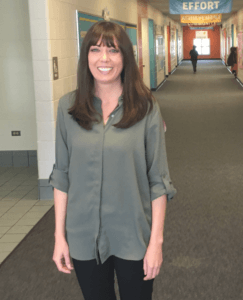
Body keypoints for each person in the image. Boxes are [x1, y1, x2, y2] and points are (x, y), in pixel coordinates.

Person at [49, 20, 176, 300]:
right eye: (95, 50)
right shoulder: (68, 109)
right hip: (84, 236)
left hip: (133, 234)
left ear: (125, 58)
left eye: (113, 51)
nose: (103, 59)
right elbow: (62, 176)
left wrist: (156, 242)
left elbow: (158, 182)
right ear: (87, 57)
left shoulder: (146, 109)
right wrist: (59, 236)